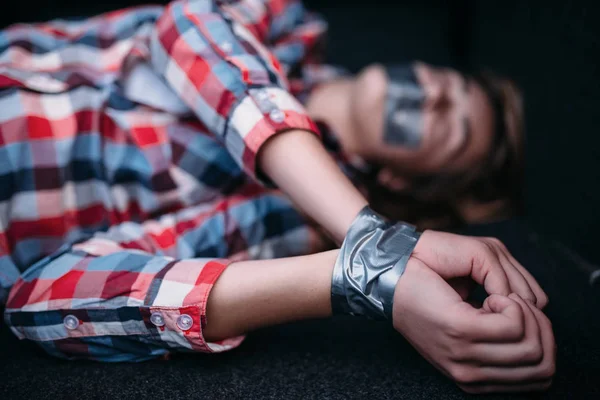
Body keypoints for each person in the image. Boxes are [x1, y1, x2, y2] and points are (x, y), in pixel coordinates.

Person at [0, 0, 554, 394]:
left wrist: (359, 274)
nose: (434, 98)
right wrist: (376, 241)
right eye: (447, 83)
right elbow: (187, 25)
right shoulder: (290, 28)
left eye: (453, 130)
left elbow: (38, 299)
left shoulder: (284, 227)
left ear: (409, 184)